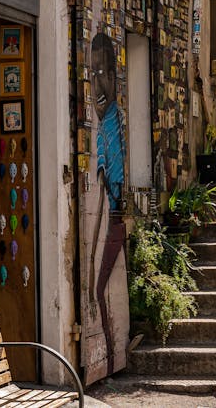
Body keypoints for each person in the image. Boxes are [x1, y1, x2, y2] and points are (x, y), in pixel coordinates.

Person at [89, 32, 125, 376]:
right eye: (92, 74)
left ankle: (112, 357)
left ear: (114, 78)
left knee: (100, 291)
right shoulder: (102, 124)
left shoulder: (113, 123)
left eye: (103, 73)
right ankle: (112, 356)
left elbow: (114, 176)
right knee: (99, 291)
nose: (97, 83)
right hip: (110, 219)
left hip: (116, 221)